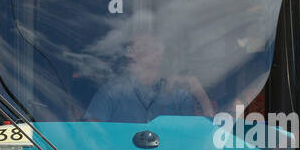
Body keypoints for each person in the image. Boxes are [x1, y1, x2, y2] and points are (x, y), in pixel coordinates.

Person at [86, 31, 214, 122]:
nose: (131, 55)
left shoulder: (179, 96)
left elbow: (204, 134)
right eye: (130, 49)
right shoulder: (111, 92)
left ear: (159, 56)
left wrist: (198, 90)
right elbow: (91, 135)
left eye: (141, 49)